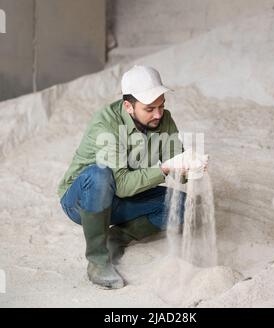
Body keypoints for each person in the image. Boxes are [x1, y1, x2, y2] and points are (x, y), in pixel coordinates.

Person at [58, 65, 188, 289]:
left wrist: (189, 166)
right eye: (150, 109)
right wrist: (166, 169)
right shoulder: (106, 124)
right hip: (84, 200)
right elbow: (123, 185)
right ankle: (97, 261)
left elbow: (177, 161)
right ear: (128, 106)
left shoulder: (163, 119)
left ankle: (116, 237)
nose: (158, 114)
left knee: (183, 205)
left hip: (123, 196)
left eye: (161, 105)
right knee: (99, 174)